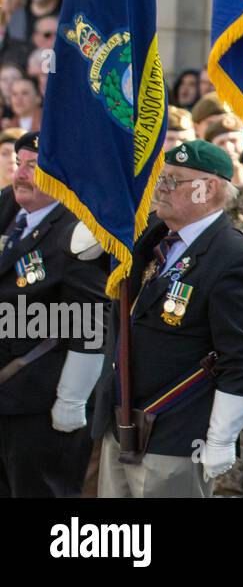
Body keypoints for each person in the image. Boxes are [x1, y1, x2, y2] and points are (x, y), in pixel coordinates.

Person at [99, 140, 243, 498]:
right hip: (124, 421)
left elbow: (241, 355)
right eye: (163, 177)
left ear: (210, 189)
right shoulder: (152, 240)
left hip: (175, 430)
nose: (161, 186)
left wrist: (221, 436)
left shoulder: (233, 256)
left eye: (175, 180)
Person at [0, 133, 111, 496]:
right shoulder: (8, 210)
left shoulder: (80, 231)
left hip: (41, 400)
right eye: (19, 164)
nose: (20, 175)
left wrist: (72, 397)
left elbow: (91, 319)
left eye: (34, 167)